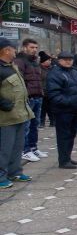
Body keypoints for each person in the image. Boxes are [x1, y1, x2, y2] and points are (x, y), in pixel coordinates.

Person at [0, 38, 34, 189]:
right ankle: (1, 176)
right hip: (6, 117)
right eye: (13, 49)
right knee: (4, 148)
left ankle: (15, 172)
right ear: (6, 50)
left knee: (17, 146)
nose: (15, 51)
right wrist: (6, 105)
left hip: (19, 115)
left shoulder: (11, 66)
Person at [46, 51, 77, 169]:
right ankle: (63, 161)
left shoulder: (74, 71)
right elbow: (54, 95)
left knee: (71, 135)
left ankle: (68, 157)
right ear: (59, 60)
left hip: (76, 109)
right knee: (63, 136)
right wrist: (70, 102)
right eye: (65, 60)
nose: (68, 62)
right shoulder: (55, 74)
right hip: (63, 110)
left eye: (70, 59)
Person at [13, 39, 47, 162]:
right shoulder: (19, 61)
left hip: (37, 96)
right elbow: (19, 79)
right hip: (28, 97)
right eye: (32, 47)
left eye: (36, 47)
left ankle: (33, 147)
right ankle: (25, 150)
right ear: (24, 47)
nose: (34, 50)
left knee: (34, 124)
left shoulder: (35, 61)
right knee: (26, 126)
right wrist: (25, 95)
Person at [38, 51, 54, 127]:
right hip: (42, 91)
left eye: (50, 60)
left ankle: (53, 121)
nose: (50, 61)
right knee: (43, 108)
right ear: (43, 61)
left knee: (51, 108)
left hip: (51, 91)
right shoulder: (38, 69)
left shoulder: (52, 68)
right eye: (48, 60)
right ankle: (41, 122)